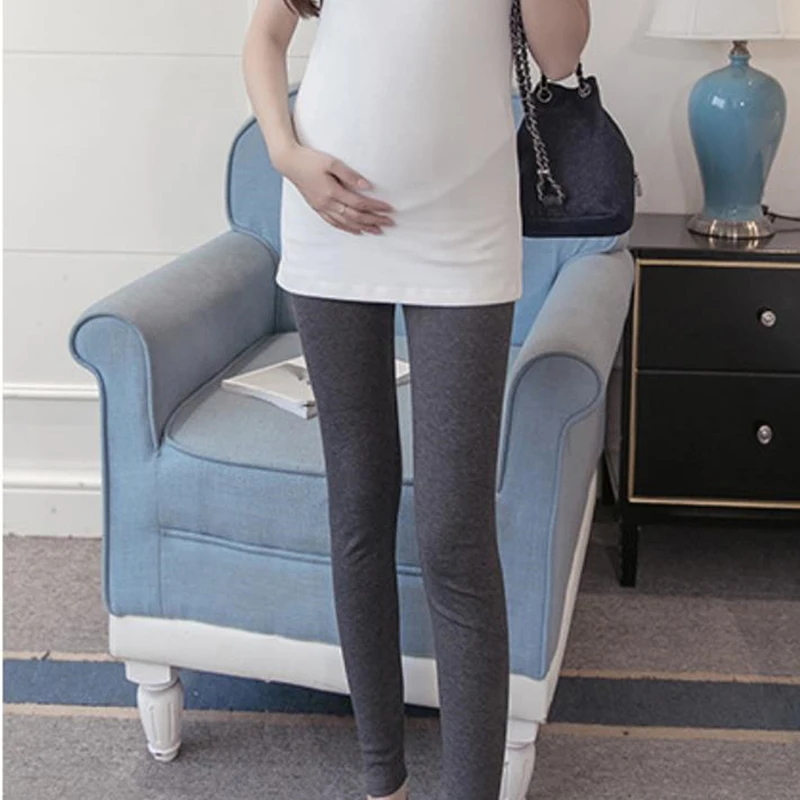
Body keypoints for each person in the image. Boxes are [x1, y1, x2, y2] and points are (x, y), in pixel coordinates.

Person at [241, 1, 590, 798]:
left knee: (455, 534)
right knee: (358, 505)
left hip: (465, 236)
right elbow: (265, 33)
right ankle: (383, 779)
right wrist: (286, 155)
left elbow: (562, 56)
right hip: (328, 217)